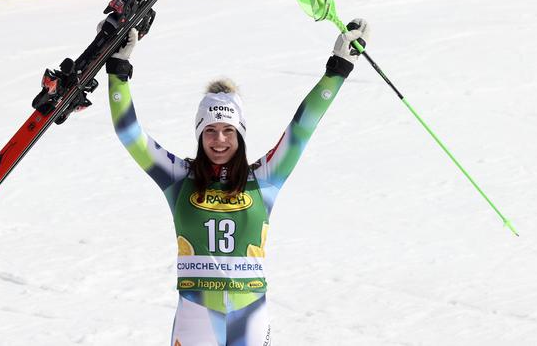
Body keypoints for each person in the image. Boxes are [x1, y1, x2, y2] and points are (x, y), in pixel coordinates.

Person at [105, 18, 370, 345]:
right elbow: (130, 134)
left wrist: (339, 68)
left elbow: (302, 127)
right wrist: (118, 71)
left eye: (228, 130)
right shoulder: (178, 178)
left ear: (240, 135)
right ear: (200, 134)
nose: (219, 140)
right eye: (210, 131)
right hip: (196, 318)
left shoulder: (264, 178)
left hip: (250, 318)